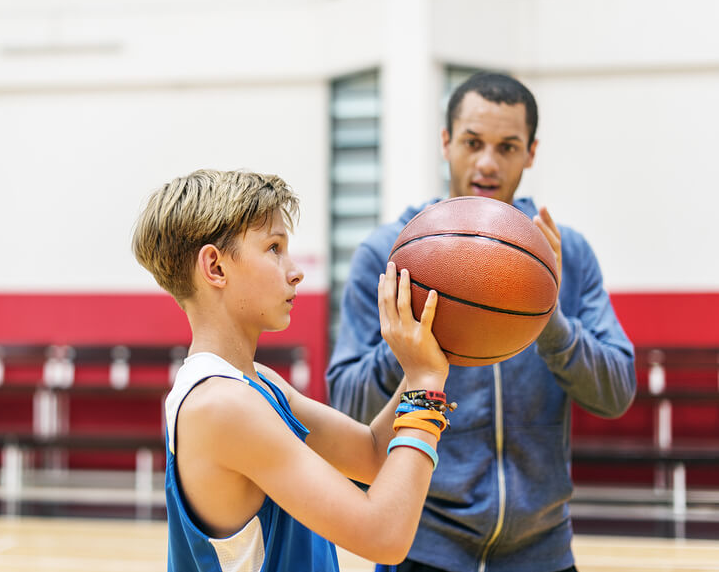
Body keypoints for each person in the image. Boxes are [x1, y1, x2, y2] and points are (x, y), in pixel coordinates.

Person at [326, 72, 636, 572]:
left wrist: (550, 320)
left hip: (543, 551)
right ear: (446, 143)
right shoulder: (389, 254)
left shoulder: (566, 255)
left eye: (508, 146)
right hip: (421, 548)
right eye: (472, 142)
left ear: (531, 152)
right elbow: (347, 406)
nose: (488, 163)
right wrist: (408, 342)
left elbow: (616, 392)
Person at [132, 169, 455, 571]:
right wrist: (426, 387)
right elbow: (384, 537)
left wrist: (423, 362)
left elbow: (373, 455)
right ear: (215, 267)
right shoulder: (222, 406)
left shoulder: (256, 382)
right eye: (273, 248)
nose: (295, 270)